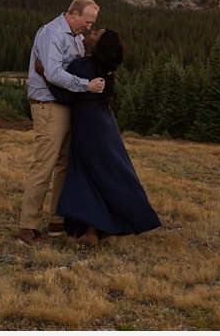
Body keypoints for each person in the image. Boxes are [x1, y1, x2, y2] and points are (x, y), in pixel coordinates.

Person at [46, 29, 161, 246]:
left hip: (88, 126)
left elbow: (65, 96)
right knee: (106, 172)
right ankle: (106, 229)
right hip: (107, 124)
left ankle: (91, 229)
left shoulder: (81, 66)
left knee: (89, 174)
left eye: (96, 33)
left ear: (96, 45)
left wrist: (45, 74)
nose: (91, 32)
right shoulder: (105, 68)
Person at [18, 0, 105, 246]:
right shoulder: (51, 33)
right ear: (74, 13)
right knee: (44, 164)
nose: (88, 27)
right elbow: (54, 73)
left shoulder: (76, 37)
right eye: (87, 22)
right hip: (48, 106)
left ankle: (57, 220)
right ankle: (28, 227)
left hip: (67, 107)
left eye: (92, 24)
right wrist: (86, 86)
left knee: (64, 165)